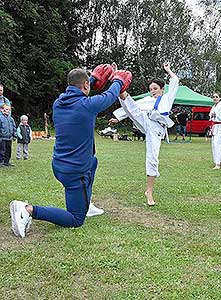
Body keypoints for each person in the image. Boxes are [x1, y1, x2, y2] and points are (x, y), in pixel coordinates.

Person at [9, 64, 132, 238]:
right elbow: (110, 95)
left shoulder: (58, 103)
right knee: (76, 218)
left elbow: (80, 88)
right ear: (86, 86)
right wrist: (118, 80)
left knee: (93, 162)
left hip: (60, 165)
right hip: (75, 171)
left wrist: (94, 79)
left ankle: (86, 203)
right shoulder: (88, 105)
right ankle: (28, 210)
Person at [114, 63, 179, 206]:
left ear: (162, 89)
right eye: (151, 89)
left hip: (157, 130)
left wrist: (168, 70)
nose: (153, 91)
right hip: (147, 122)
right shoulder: (148, 100)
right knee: (134, 108)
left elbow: (175, 81)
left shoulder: (168, 98)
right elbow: (133, 107)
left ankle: (148, 190)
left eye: (155, 89)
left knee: (153, 158)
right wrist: (119, 117)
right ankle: (117, 79)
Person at [209, 92, 221, 169]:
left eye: (216, 97)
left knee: (217, 144)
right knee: (213, 144)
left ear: (220, 98)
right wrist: (213, 116)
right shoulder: (214, 106)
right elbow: (210, 116)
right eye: (213, 97)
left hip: (220, 126)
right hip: (214, 126)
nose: (215, 98)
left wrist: (214, 115)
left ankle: (218, 164)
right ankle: (218, 161)